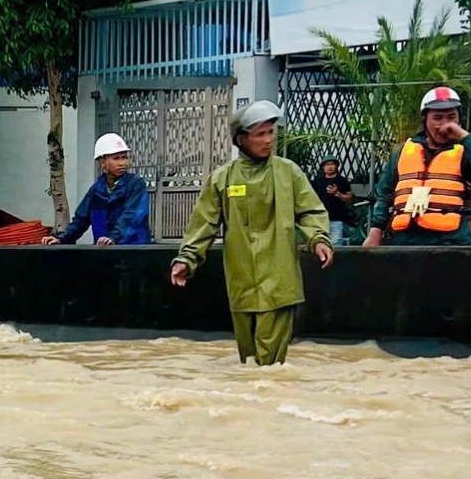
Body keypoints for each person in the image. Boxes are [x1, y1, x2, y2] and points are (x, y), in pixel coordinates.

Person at [170, 100, 333, 365]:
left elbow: (310, 212)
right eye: (260, 134)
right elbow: (204, 223)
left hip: (279, 279)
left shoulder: (288, 172)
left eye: (271, 132)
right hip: (242, 280)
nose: (269, 140)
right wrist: (186, 259)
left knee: (269, 362)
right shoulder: (223, 179)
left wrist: (318, 239)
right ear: (241, 139)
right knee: (248, 361)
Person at [364, 85, 471, 247]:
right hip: (405, 241)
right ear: (425, 119)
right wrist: (375, 231)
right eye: (438, 118)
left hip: (452, 242)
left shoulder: (468, 150)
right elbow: (384, 193)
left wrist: (463, 135)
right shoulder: (402, 152)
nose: (445, 125)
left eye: (451, 117)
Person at [47, 133, 151, 246]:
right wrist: (61, 239)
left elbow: (132, 217)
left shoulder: (136, 185)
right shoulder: (96, 191)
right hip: (105, 252)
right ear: (102, 162)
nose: (122, 163)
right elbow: (80, 220)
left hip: (134, 251)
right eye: (116, 158)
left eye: (124, 157)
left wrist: (113, 237)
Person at [314, 158, 360, 244]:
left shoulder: (342, 181)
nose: (330, 167)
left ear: (336, 166)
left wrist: (337, 193)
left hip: (337, 218)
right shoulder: (318, 181)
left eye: (332, 164)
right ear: (323, 167)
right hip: (320, 218)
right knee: (320, 243)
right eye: (327, 165)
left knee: (336, 243)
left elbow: (349, 198)